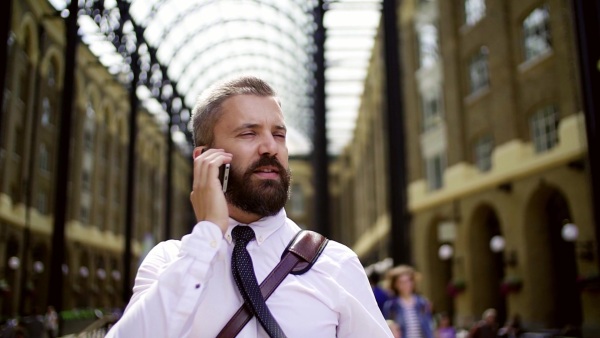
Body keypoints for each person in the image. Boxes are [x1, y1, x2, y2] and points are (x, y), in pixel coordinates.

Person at [105, 75, 392, 337]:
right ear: (205, 158)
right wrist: (207, 234)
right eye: (248, 133)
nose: (271, 147)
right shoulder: (169, 262)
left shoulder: (337, 264)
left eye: (279, 134)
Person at [383, 265, 433, 338]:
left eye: (407, 281)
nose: (405, 285)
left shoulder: (422, 303)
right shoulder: (391, 306)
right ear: (395, 284)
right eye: (401, 282)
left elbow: (429, 326)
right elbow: (388, 328)